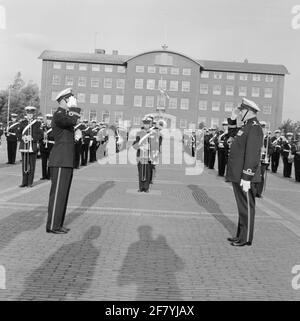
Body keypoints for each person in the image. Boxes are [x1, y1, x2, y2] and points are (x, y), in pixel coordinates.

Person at [225, 98, 263, 247]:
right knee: (242, 206)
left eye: (241, 110)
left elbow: (253, 155)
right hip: (238, 173)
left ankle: (245, 238)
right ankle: (240, 235)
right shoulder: (246, 126)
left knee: (246, 206)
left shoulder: (254, 127)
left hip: (245, 175)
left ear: (249, 111)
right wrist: (233, 119)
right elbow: (233, 134)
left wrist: (247, 176)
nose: (239, 112)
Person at [46, 88, 81, 234]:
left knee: (63, 194)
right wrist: (74, 107)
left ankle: (58, 224)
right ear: (63, 100)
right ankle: (52, 225)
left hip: (65, 161)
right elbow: (72, 120)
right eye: (70, 99)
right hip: (60, 161)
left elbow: (73, 121)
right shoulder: (59, 115)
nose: (72, 102)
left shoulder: (65, 116)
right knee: (58, 194)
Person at [18, 106, 44, 187]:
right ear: (26, 114)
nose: (29, 115)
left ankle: (30, 183)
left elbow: (40, 135)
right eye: (28, 114)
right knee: (24, 165)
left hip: (32, 146)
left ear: (33, 114)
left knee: (32, 165)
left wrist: (32, 138)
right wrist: (22, 137)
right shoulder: (22, 123)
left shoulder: (37, 123)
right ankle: (24, 182)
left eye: (31, 114)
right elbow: (18, 133)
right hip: (24, 146)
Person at [133, 118, 154, 193]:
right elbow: (135, 143)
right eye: (145, 124)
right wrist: (140, 146)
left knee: (148, 171)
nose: (146, 125)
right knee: (141, 171)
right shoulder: (139, 133)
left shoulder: (152, 133)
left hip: (148, 155)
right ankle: (141, 187)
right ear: (143, 125)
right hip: (140, 154)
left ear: (150, 125)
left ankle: (146, 188)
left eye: (148, 124)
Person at [39, 114, 55, 179]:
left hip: (51, 147)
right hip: (43, 147)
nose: (49, 121)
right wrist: (42, 140)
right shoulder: (43, 127)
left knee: (50, 162)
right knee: (43, 162)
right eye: (48, 120)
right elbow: (39, 136)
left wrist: (49, 141)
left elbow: (55, 138)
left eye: (50, 120)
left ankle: (49, 175)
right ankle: (44, 175)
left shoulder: (54, 128)